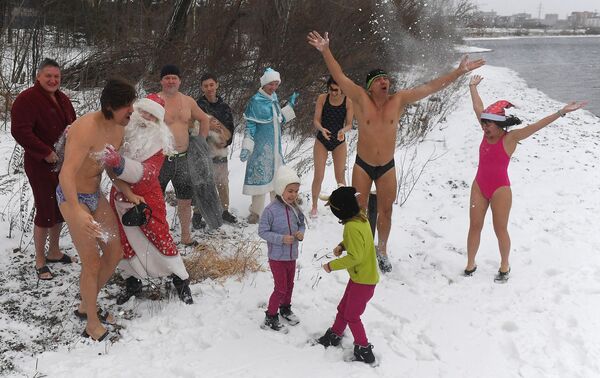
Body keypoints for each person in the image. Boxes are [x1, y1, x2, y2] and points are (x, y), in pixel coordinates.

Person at [307, 31, 485, 273]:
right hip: (363, 164)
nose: (385, 82)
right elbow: (339, 75)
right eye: (379, 80)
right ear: (370, 86)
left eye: (386, 79)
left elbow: (430, 87)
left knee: (386, 211)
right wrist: (326, 50)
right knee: (357, 210)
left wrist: (458, 72)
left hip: (386, 166)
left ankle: (382, 250)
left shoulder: (398, 100)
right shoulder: (360, 99)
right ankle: (360, 246)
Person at [464, 75, 586, 283]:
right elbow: (478, 107)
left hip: (500, 189)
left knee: (499, 228)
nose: (484, 127)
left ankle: (504, 265)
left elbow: (537, 126)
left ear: (500, 124)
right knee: (475, 226)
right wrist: (472, 87)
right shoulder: (486, 133)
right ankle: (470, 263)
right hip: (479, 185)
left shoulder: (510, 138)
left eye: (489, 124)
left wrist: (561, 112)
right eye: (483, 123)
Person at [57, 78, 136, 341]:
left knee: (114, 251)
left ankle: (85, 303)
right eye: (127, 106)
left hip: (94, 194)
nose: (131, 111)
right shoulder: (85, 128)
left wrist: (126, 190)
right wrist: (77, 210)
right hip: (71, 198)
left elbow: (110, 165)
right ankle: (91, 322)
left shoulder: (118, 129)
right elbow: (65, 174)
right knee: (91, 262)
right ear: (111, 106)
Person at [106, 94, 193, 304]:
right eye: (144, 112)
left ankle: (180, 280)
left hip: (147, 199)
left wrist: (119, 164)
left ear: (158, 121)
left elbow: (148, 173)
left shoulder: (159, 144)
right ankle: (132, 281)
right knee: (124, 241)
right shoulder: (121, 133)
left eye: (152, 115)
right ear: (136, 111)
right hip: (119, 196)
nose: (146, 118)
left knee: (160, 237)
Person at [11, 58, 77, 280]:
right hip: (41, 165)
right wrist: (45, 152)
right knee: (45, 209)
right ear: (38, 76)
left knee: (60, 207)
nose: (53, 80)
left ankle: (54, 252)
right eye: (48, 76)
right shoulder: (26, 99)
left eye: (56, 76)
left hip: (64, 164)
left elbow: (73, 127)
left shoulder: (63, 99)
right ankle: (40, 260)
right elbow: (20, 131)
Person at [316, 186, 379, 365]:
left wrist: (332, 265)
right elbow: (359, 241)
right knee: (344, 308)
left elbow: (355, 257)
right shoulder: (362, 219)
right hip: (361, 277)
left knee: (352, 315)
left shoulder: (351, 226)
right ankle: (335, 334)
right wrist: (342, 245)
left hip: (363, 281)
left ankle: (364, 349)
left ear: (340, 211)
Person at [157, 64, 210, 245]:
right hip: (161, 159)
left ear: (179, 81)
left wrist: (200, 143)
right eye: (167, 78)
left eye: (174, 78)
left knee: (185, 200)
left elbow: (203, 119)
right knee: (156, 201)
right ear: (161, 81)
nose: (171, 81)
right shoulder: (154, 100)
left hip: (183, 158)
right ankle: (159, 237)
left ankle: (186, 237)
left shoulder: (188, 101)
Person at [240, 67, 298, 224]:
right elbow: (251, 126)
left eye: (276, 84)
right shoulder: (256, 101)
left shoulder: (274, 99)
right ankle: (255, 213)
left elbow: (279, 120)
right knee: (260, 182)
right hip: (261, 150)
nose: (273, 88)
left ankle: (277, 210)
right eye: (270, 84)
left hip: (275, 150)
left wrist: (290, 107)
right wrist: (247, 146)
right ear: (264, 84)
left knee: (276, 181)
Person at [258, 166, 305, 332]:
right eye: (290, 191)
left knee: (290, 285)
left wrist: (301, 233)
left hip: (292, 256)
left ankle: (285, 308)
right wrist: (281, 239)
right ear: (280, 189)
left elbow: (301, 223)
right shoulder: (270, 210)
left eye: (296, 191)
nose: (293, 195)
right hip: (277, 257)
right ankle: (270, 316)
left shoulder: (295, 209)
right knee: (280, 288)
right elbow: (262, 231)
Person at [195, 73, 237, 226]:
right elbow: (192, 127)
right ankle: (198, 214)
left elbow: (231, 127)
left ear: (217, 85)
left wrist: (226, 141)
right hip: (203, 151)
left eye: (211, 85)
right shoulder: (198, 105)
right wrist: (208, 125)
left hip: (220, 150)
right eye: (205, 86)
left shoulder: (224, 107)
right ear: (201, 88)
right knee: (203, 182)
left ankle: (224, 211)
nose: (209, 88)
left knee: (222, 182)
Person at [310, 76, 354, 218]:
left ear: (342, 89)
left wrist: (343, 131)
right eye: (331, 89)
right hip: (322, 139)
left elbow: (349, 124)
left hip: (339, 141)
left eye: (336, 90)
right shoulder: (323, 98)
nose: (333, 93)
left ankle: (346, 207)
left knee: (340, 176)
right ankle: (314, 206)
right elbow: (316, 120)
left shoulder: (348, 101)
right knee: (319, 175)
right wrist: (322, 129)